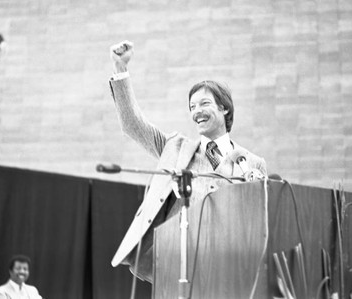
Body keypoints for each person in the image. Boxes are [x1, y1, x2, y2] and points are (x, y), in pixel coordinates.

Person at [108, 40, 267, 282]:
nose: (197, 111)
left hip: (226, 267)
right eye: (192, 106)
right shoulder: (175, 148)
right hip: (174, 260)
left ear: (224, 109)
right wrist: (120, 69)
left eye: (204, 103)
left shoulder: (252, 163)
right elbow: (133, 125)